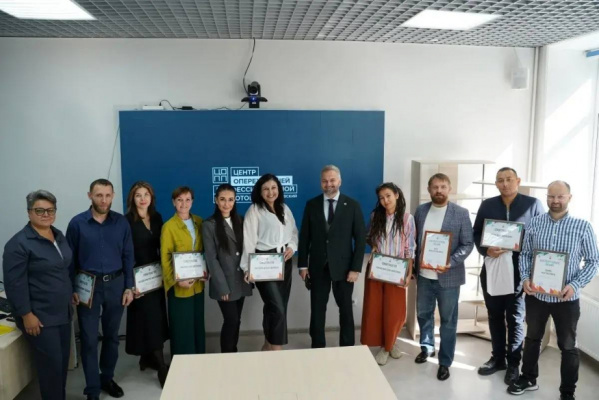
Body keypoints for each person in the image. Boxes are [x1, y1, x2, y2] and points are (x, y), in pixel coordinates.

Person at [508, 181, 599, 400]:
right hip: (536, 295)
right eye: (551, 196)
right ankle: (528, 378)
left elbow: (593, 261)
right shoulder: (535, 223)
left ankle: (567, 392)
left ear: (569, 197)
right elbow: (525, 254)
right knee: (532, 338)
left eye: (560, 196)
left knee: (568, 346)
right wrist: (526, 278)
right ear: (546, 197)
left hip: (566, 299)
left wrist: (574, 285)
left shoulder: (583, 226)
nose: (555, 201)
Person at [473, 167, 544, 385]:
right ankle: (498, 359)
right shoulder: (487, 205)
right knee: (494, 315)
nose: (505, 184)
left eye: (509, 179)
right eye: (500, 180)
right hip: (492, 269)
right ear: (496, 184)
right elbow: (477, 233)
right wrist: (486, 250)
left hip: (519, 272)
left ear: (518, 181)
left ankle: (514, 364)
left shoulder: (533, 204)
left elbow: (540, 236)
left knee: (515, 318)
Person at [66, 179, 134, 400]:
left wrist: (129, 287)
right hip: (88, 288)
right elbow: (69, 260)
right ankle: (93, 388)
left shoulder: (121, 223)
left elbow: (128, 256)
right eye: (99, 195)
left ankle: (107, 378)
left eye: (107, 195)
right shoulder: (77, 224)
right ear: (90, 196)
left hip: (116, 285)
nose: (104, 200)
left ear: (113, 196)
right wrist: (71, 288)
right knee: (88, 339)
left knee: (112, 336)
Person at [3, 190, 73, 400]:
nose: (46, 214)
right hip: (40, 318)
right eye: (39, 210)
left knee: (61, 364)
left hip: (63, 313)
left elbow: (63, 269)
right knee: (51, 368)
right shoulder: (18, 244)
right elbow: (14, 284)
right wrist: (26, 314)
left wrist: (71, 292)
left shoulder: (58, 235)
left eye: (50, 210)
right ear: (29, 212)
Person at [413, 174, 474, 380]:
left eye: (443, 186)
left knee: (448, 320)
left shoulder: (461, 213)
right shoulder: (421, 211)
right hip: (424, 275)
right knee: (423, 314)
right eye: (435, 187)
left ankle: (445, 361)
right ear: (429, 189)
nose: (439, 190)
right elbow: (415, 241)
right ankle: (427, 347)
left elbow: (468, 244)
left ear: (449, 189)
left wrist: (451, 261)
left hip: (449, 276)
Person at [298, 165, 366, 348]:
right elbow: (304, 237)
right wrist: (303, 265)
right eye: (325, 181)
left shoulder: (352, 205)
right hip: (317, 267)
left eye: (332, 180)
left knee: (346, 309)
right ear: (320, 183)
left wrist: (355, 268)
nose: (329, 184)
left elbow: (360, 239)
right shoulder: (311, 205)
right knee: (317, 309)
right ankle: (317, 346)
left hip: (345, 269)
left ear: (339, 181)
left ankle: (347, 347)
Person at [361, 182, 415, 366]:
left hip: (397, 270)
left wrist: (408, 272)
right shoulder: (375, 216)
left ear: (397, 195)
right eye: (381, 198)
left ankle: (388, 346)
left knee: (394, 311)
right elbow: (367, 236)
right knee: (375, 309)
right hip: (377, 268)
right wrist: (373, 245)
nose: (385, 200)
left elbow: (410, 248)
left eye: (388, 196)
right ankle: (383, 344)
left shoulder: (407, 219)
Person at [241, 174, 298, 351]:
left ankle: (267, 343)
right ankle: (276, 349)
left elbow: (293, 232)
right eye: (266, 189)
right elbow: (248, 240)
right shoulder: (254, 210)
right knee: (277, 307)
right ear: (260, 192)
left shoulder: (284, 208)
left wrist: (292, 246)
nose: (270, 192)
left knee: (277, 306)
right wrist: (247, 268)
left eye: (273, 188)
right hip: (263, 262)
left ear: (278, 189)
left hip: (284, 261)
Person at [124, 181, 169, 387]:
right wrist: (130, 283)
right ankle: (161, 366)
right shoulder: (126, 221)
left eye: (146, 194)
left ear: (151, 197)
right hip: (138, 278)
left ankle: (147, 357)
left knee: (156, 317)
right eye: (138, 195)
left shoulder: (157, 217)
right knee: (148, 319)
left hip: (156, 276)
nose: (143, 199)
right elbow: (124, 254)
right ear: (132, 199)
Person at [202, 184, 252, 353]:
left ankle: (233, 353)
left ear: (235, 200)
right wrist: (222, 286)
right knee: (231, 320)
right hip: (224, 282)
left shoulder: (241, 220)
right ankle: (227, 355)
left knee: (237, 320)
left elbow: (247, 249)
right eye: (222, 199)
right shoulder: (209, 224)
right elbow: (211, 259)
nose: (226, 204)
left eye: (230, 199)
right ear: (216, 200)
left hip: (241, 280)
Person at [160, 186, 205, 355]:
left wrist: (205, 271)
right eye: (179, 200)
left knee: (197, 324)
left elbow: (205, 251)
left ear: (192, 201)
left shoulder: (199, 222)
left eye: (187, 200)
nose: (184, 204)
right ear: (173, 202)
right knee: (181, 327)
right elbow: (165, 258)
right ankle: (182, 364)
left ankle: (199, 359)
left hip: (198, 285)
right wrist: (176, 280)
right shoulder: (168, 227)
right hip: (179, 286)